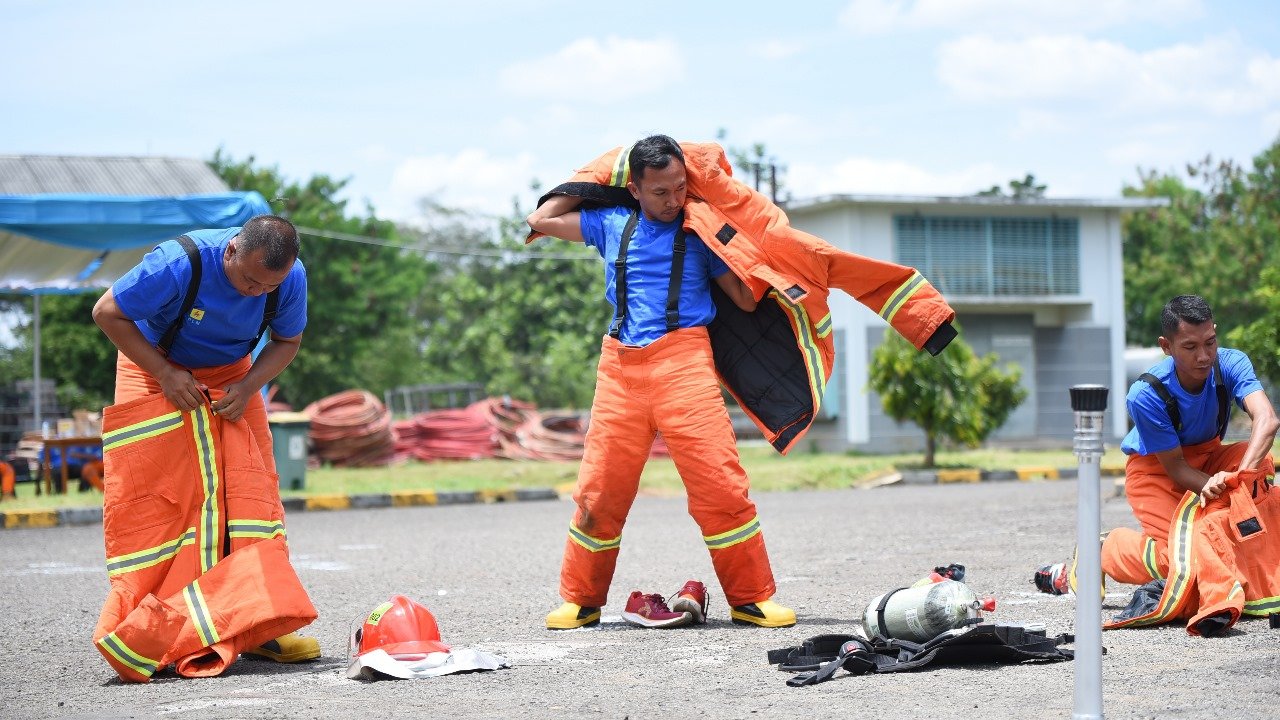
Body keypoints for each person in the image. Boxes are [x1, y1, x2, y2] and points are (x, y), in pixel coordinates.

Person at [526, 135, 796, 629]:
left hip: (685, 364)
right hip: (619, 371)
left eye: (679, 188)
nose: (674, 201)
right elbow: (539, 220)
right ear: (633, 189)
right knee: (597, 493)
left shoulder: (701, 231)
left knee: (721, 485)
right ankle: (581, 600)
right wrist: (603, 169)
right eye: (660, 192)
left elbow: (746, 298)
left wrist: (744, 244)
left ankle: (751, 598)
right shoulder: (609, 225)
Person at [92, 214, 320, 662]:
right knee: (156, 497)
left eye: (267, 288)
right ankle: (152, 626)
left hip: (235, 376)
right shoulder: (179, 263)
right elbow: (107, 312)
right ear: (231, 250)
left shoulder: (289, 279)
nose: (256, 293)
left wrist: (250, 384)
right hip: (152, 368)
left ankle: (257, 624)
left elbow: (287, 341)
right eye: (250, 280)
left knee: (254, 496)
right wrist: (164, 373)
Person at [1036, 294, 1279, 596]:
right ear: (1167, 346)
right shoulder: (1147, 394)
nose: (1203, 356)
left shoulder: (1230, 363)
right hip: (1158, 473)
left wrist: (1239, 482)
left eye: (1210, 342)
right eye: (1190, 347)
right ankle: (1101, 550)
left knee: (1257, 466)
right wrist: (1225, 492)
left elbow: (1266, 420)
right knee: (1182, 563)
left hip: (1210, 459)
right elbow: (1177, 468)